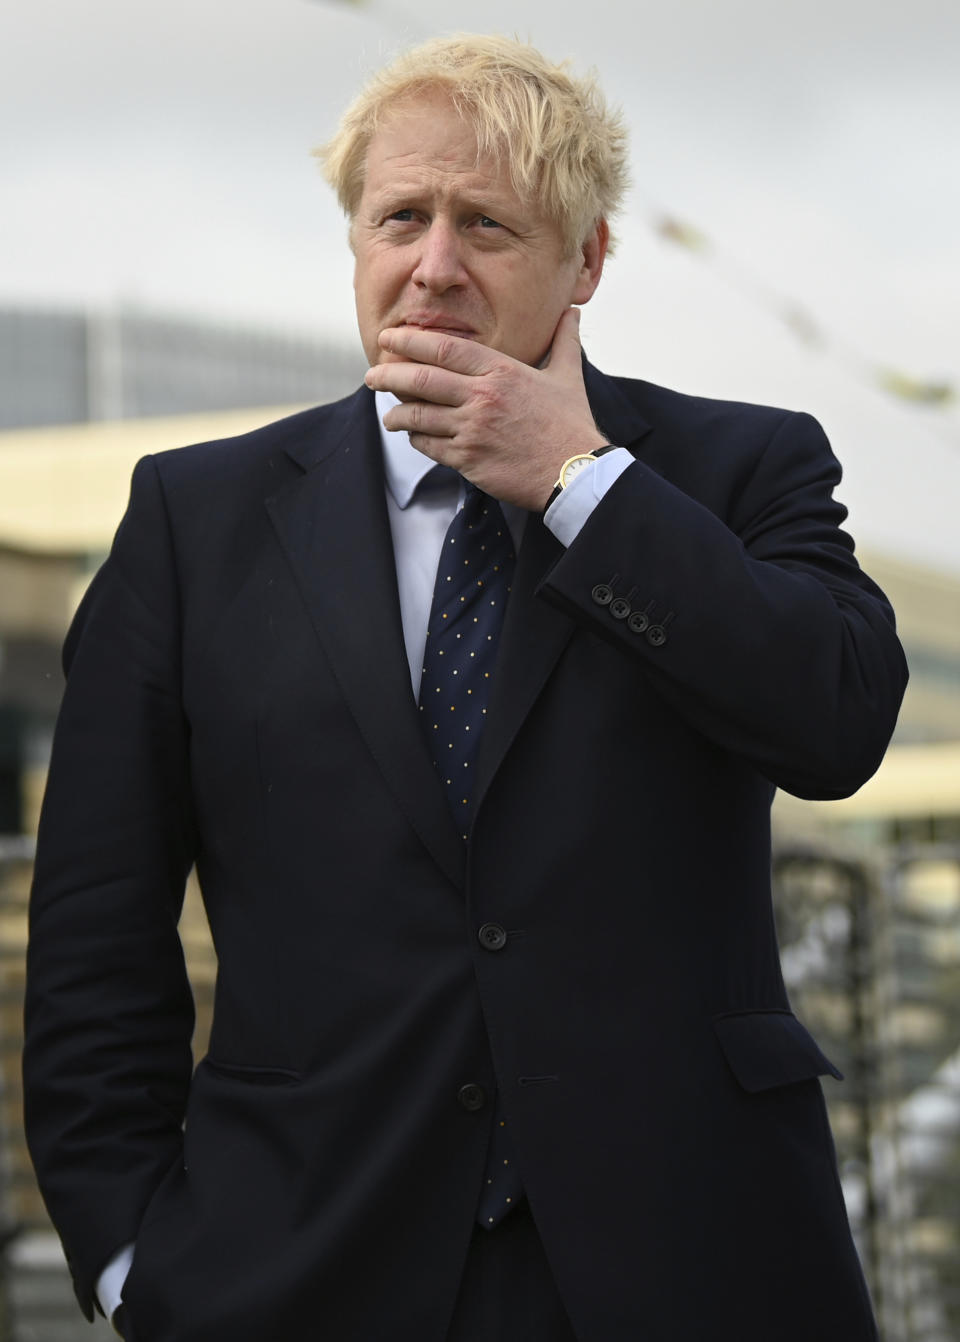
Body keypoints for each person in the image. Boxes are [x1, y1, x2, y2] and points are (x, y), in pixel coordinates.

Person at [23, 33, 906, 1342]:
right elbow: (97, 933)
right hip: (294, 1263)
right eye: (401, 217)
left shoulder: (739, 470)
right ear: (357, 240)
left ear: (589, 258)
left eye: (487, 223)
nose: (433, 265)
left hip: (689, 1261)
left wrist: (580, 483)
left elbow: (835, 722)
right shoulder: (191, 523)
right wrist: (127, 1257)